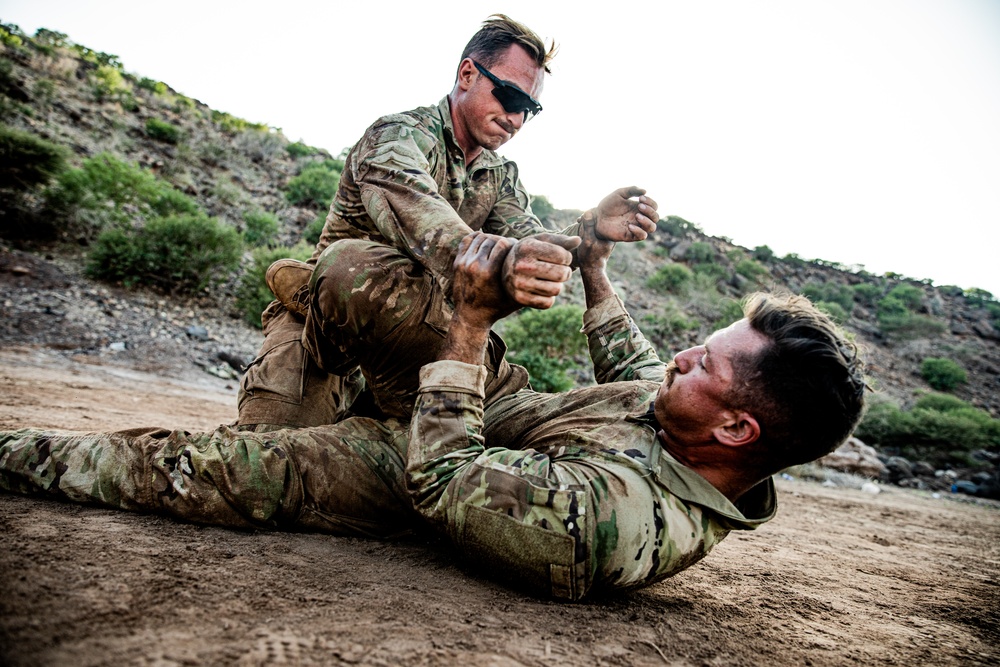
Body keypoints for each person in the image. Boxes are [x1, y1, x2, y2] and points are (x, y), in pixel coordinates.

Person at [0, 221, 867, 600]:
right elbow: (635, 358)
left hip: (424, 469)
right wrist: (595, 266)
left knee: (216, 467)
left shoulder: (606, 523)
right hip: (477, 411)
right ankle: (323, 327)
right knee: (360, 278)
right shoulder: (690, 416)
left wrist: (471, 320)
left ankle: (17, 452)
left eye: (704, 361)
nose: (683, 356)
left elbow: (442, 473)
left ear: (736, 429)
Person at [236, 14, 657, 430]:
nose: (516, 119)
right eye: (510, 98)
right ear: (468, 73)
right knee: (260, 465)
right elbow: (422, 216)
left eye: (530, 109)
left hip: (414, 334)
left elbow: (530, 242)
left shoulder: (498, 176)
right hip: (325, 323)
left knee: (405, 472)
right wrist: (497, 264)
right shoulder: (396, 136)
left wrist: (588, 233)